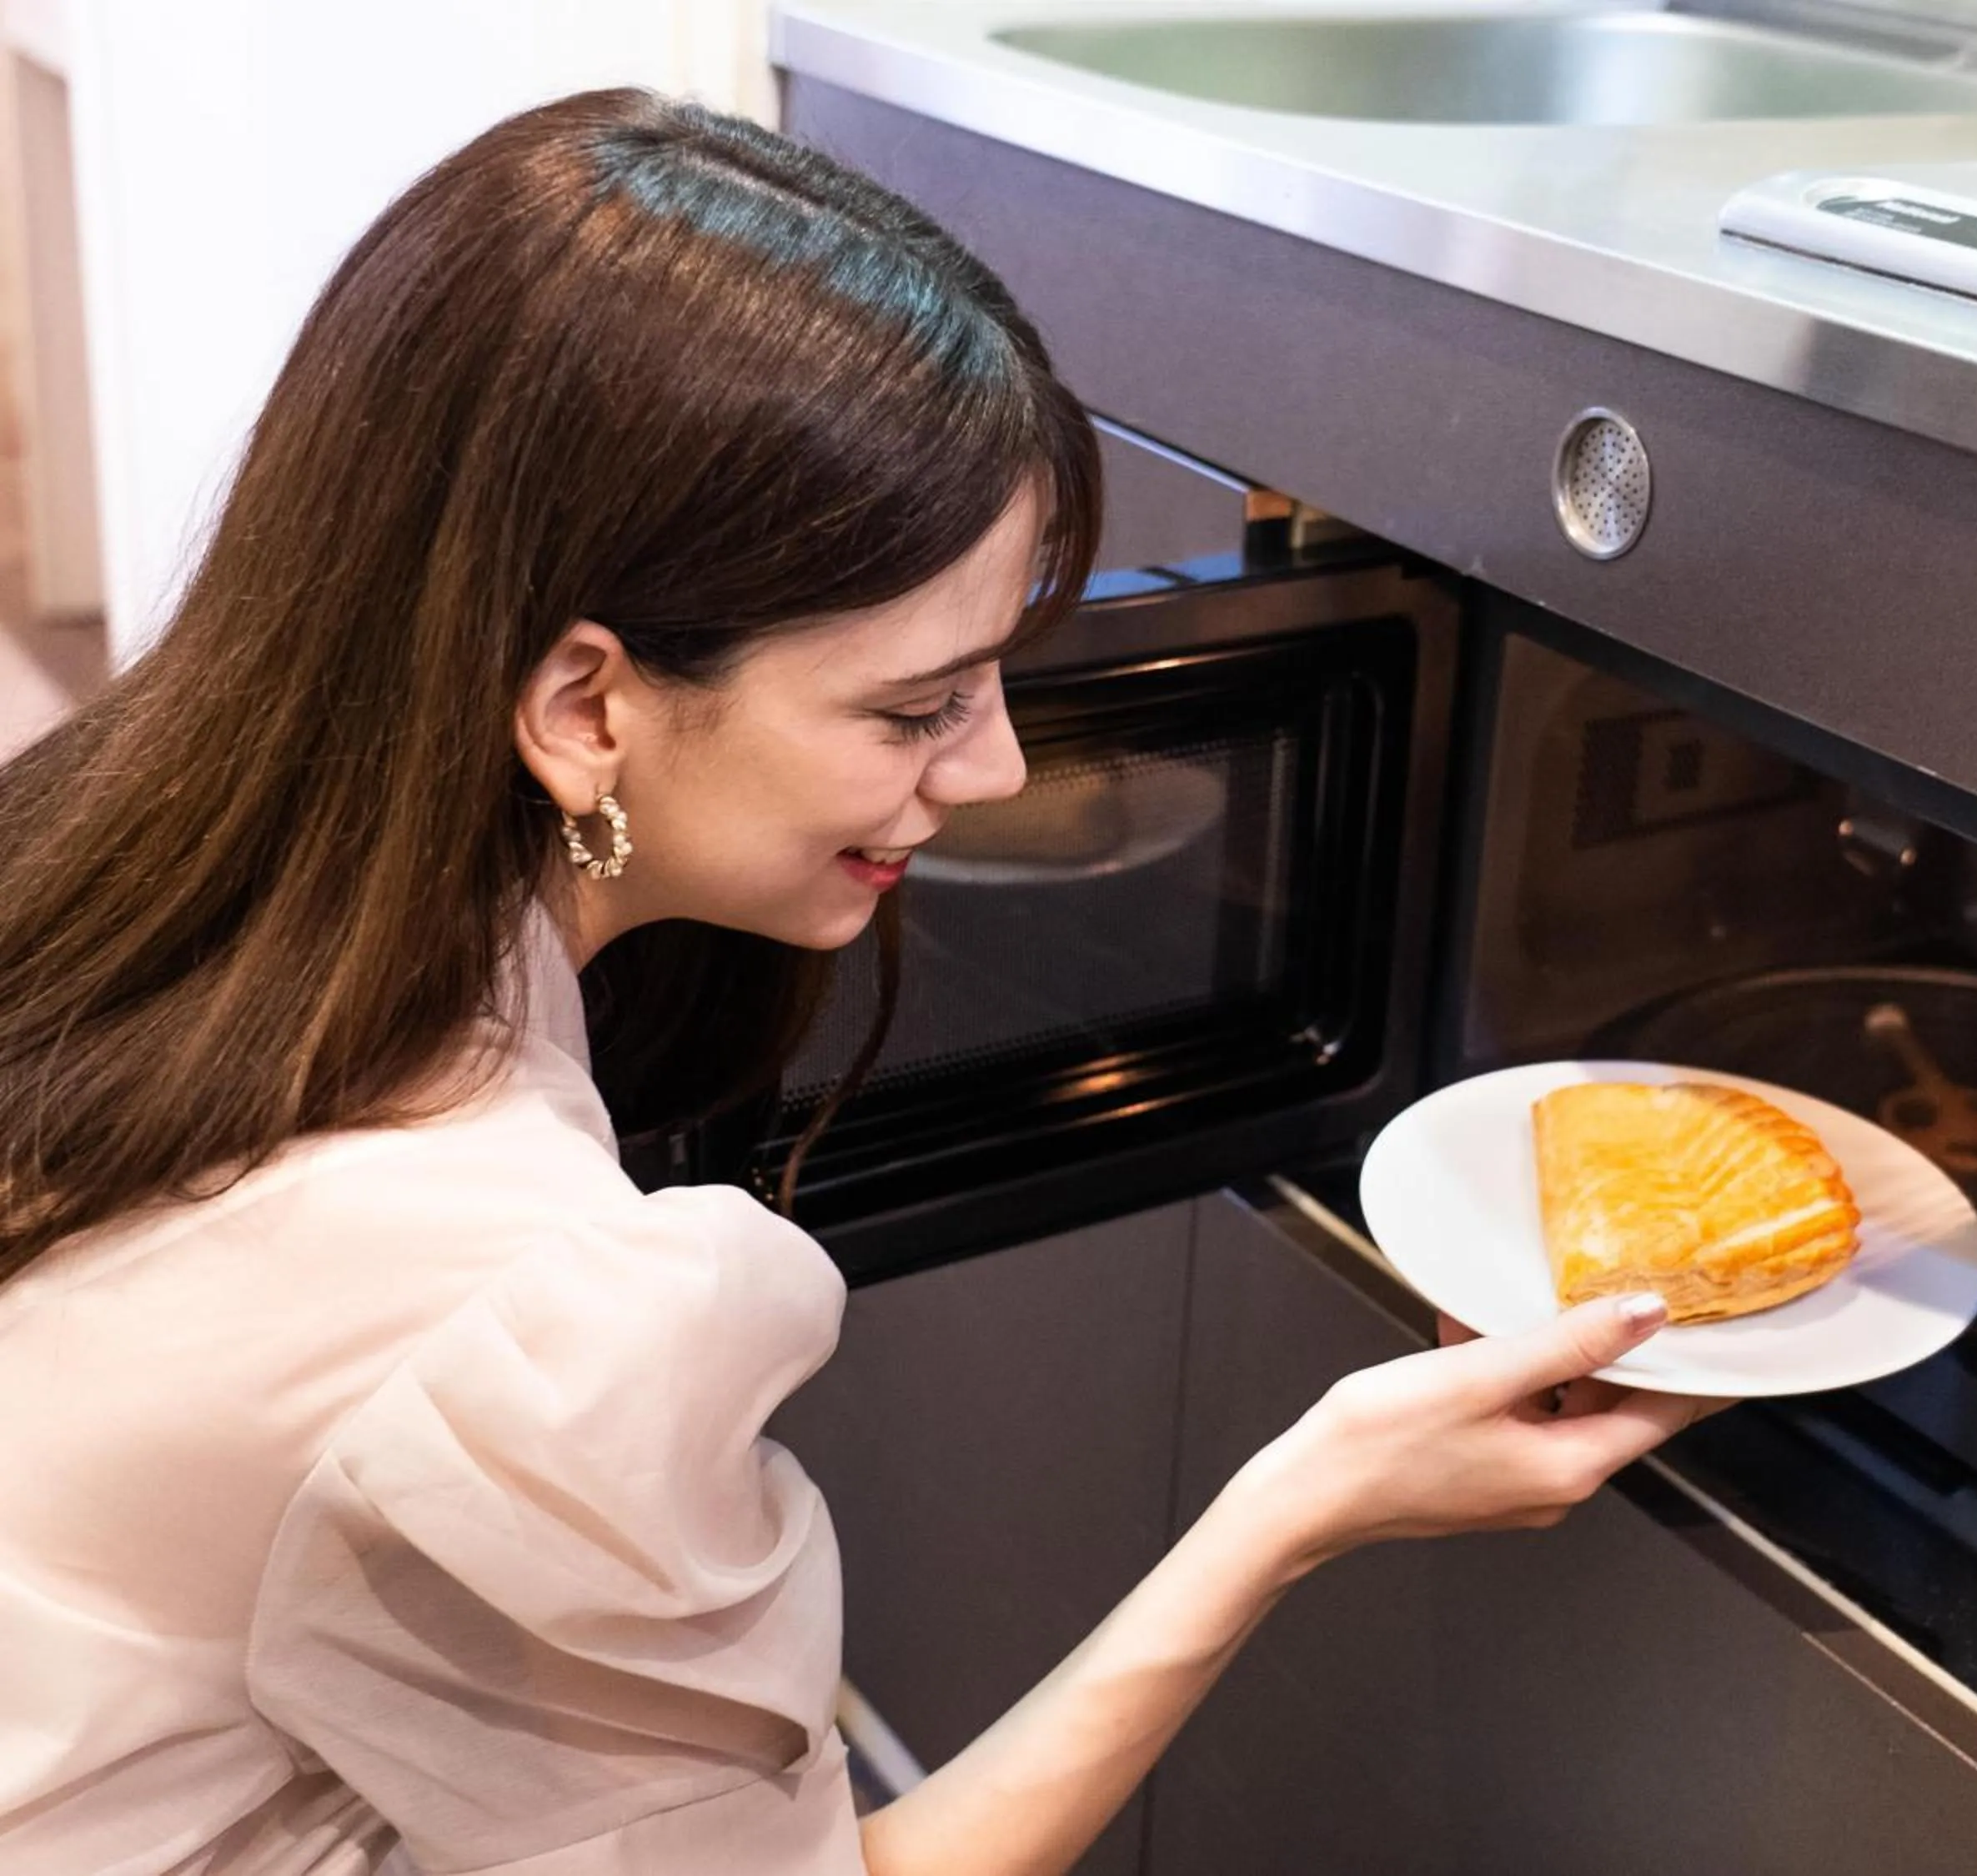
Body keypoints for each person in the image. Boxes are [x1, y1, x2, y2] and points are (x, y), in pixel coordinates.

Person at [0, 91, 1712, 1876]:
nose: (987, 771)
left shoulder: (124, 863)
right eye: (917, 706)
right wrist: (1296, 1504)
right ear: (586, 710)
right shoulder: (499, 1289)